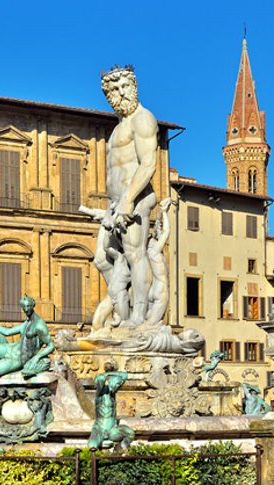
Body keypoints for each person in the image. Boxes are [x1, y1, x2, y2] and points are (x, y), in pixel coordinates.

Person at [101, 65, 159, 326]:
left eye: (125, 86)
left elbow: (148, 164)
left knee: (136, 255)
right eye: (114, 89)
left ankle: (139, 317)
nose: (121, 93)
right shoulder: (117, 129)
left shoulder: (143, 119)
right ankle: (121, 312)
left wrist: (128, 199)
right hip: (114, 204)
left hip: (134, 199)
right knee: (102, 258)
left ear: (134, 86)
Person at [88, 361, 134, 450]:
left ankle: (119, 449)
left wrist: (112, 375)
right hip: (100, 430)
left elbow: (124, 375)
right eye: (116, 384)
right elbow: (99, 378)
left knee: (130, 433)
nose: (118, 386)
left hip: (112, 430)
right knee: (92, 446)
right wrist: (107, 376)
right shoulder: (100, 394)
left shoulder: (112, 394)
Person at [143, 197, 172, 327]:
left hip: (150, 291)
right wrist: (164, 213)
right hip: (160, 289)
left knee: (147, 322)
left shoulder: (145, 254)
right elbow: (166, 232)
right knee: (151, 325)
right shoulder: (155, 250)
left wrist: (159, 218)